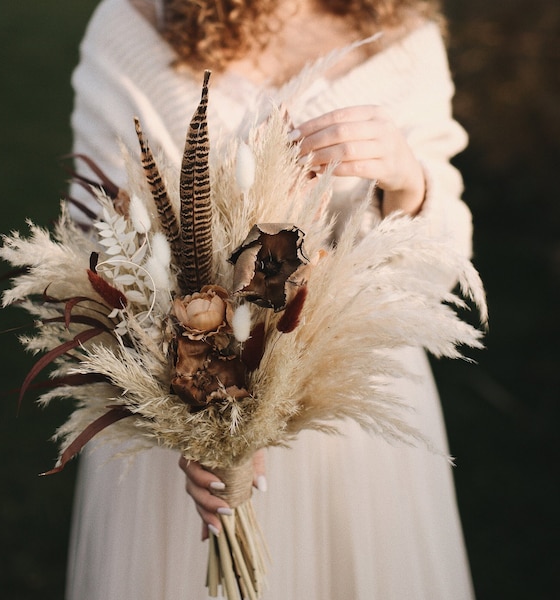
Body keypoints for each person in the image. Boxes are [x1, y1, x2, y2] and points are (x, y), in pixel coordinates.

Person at [66, 0, 475, 598]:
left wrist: (410, 182)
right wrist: (190, 419)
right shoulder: (136, 27)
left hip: (353, 416)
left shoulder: (402, 40)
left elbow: (438, 268)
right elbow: (98, 244)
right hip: (187, 418)